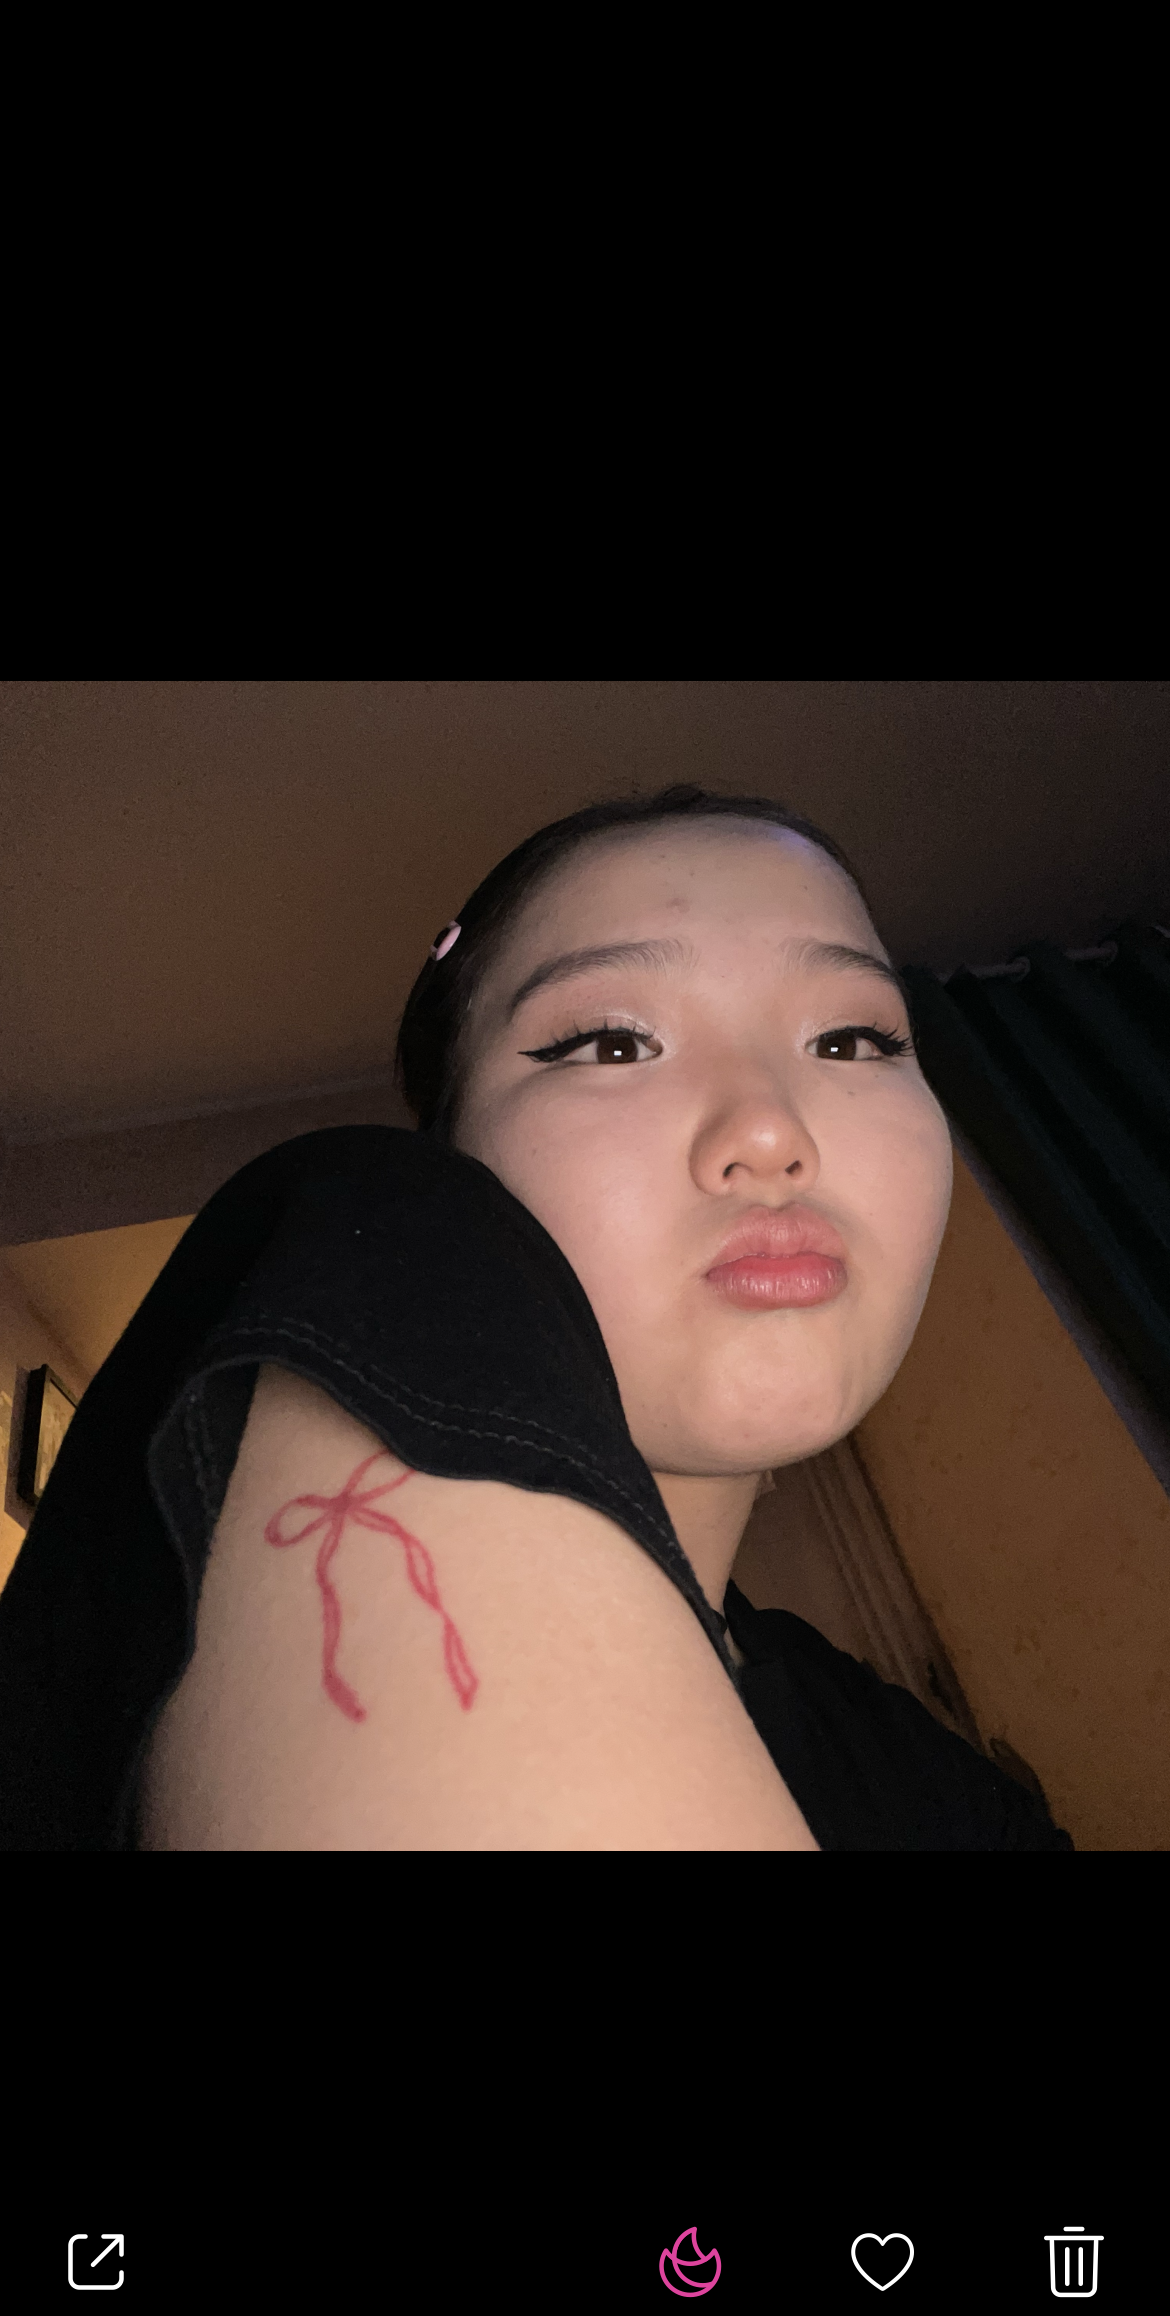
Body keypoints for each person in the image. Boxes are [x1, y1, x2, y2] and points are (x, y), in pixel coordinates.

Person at [0, 785, 1074, 1850]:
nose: (769, 1131)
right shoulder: (374, 1214)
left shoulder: (922, 1769)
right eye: (611, 1044)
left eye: (850, 1040)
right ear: (454, 1153)